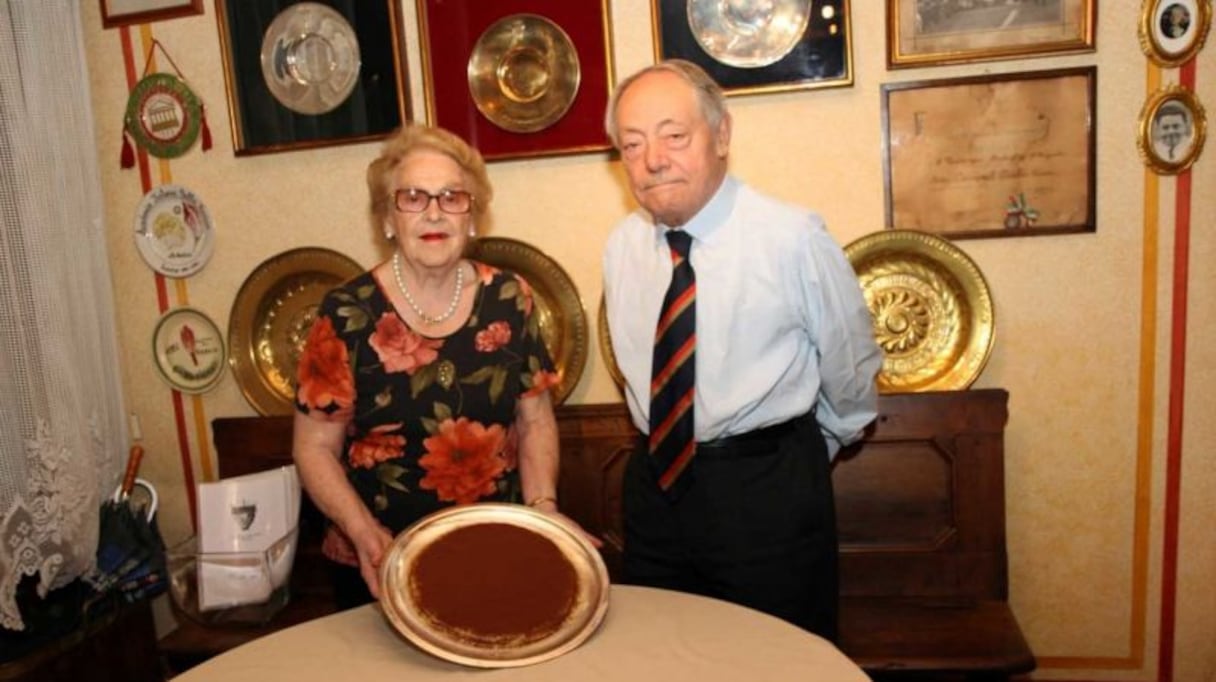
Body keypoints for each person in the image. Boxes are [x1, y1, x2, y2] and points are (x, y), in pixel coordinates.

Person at [601, 59, 882, 641]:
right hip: (655, 491)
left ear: (722, 134)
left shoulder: (792, 238)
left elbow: (850, 371)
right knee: (660, 658)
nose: (653, 159)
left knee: (780, 662)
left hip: (768, 493)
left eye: (674, 136)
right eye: (632, 144)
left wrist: (792, 454)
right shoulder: (621, 248)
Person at [293, 124, 593, 609]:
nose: (434, 211)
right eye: (413, 197)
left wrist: (544, 509)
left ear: (472, 217)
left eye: (452, 197)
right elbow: (313, 448)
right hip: (380, 557)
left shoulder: (510, 298)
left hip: (497, 548)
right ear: (388, 218)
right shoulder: (346, 312)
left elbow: (534, 420)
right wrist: (362, 531)